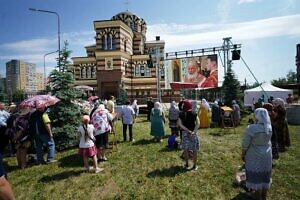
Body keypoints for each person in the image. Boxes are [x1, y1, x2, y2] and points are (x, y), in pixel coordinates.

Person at [241, 108, 272, 200]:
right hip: (267, 154)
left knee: (255, 174)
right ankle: (264, 195)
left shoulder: (251, 128)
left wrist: (243, 154)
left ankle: (257, 195)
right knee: (264, 174)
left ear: (257, 116)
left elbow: (245, 144)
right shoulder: (269, 127)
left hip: (254, 154)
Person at [177, 99, 200, 171]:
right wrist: (193, 132)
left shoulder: (181, 114)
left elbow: (179, 124)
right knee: (195, 149)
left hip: (185, 134)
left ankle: (187, 164)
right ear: (190, 105)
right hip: (193, 133)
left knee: (186, 150)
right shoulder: (194, 113)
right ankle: (194, 166)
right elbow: (198, 123)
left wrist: (187, 130)